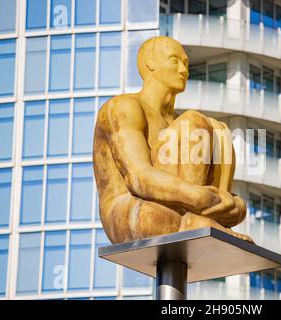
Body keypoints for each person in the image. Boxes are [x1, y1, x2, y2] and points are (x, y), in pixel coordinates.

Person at [93, 36, 252, 243]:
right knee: (194, 121)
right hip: (133, 210)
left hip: (180, 208)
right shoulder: (123, 107)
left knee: (218, 129)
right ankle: (194, 219)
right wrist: (194, 195)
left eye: (186, 64)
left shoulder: (178, 124)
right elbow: (138, 176)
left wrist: (230, 203)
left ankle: (197, 218)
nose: (184, 70)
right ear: (150, 62)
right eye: (174, 60)